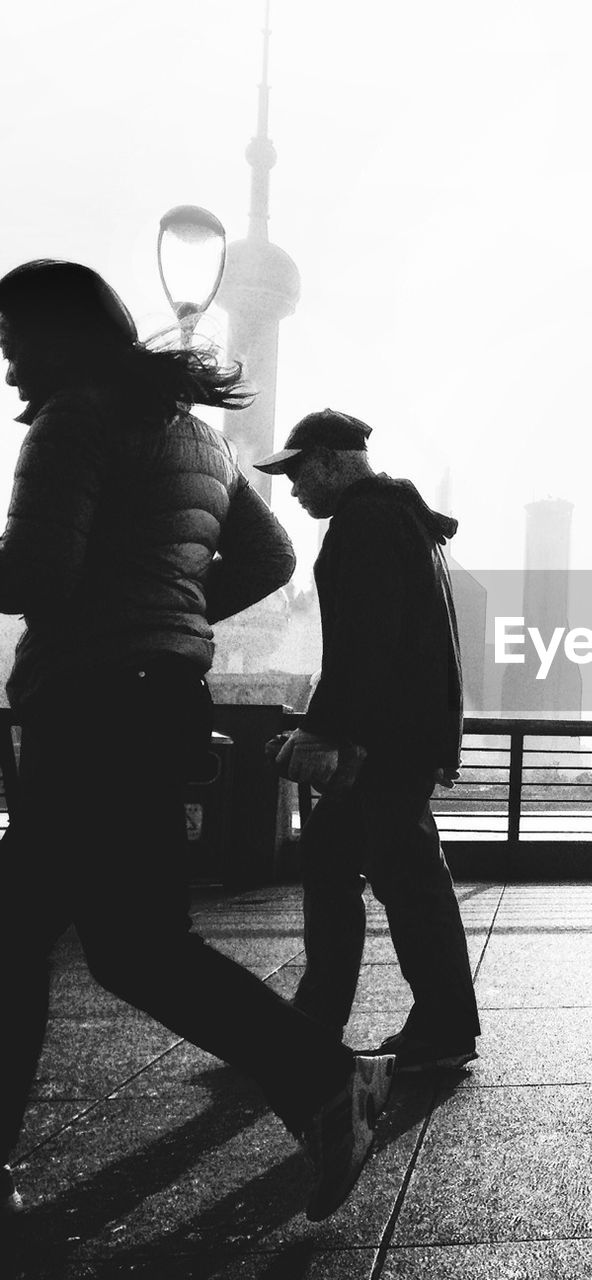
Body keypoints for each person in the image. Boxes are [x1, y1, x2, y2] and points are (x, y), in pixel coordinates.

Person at [0, 260, 394, 1224]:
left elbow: (38, 578)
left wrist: (137, 612)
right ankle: (326, 1080)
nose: (6, 362)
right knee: (131, 947)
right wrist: (174, 613)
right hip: (158, 698)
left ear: (57, 335)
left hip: (89, 703)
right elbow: (270, 554)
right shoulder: (193, 436)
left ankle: (327, 1078)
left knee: (37, 941)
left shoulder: (74, 418)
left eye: (12, 337)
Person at [256, 408, 480, 1073]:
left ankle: (440, 1028)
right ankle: (317, 1019)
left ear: (329, 459)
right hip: (401, 732)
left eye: (299, 473)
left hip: (386, 740)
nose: (295, 489)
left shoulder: (365, 522)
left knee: (406, 877)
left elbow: (365, 646)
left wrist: (322, 729)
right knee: (336, 861)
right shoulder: (401, 518)